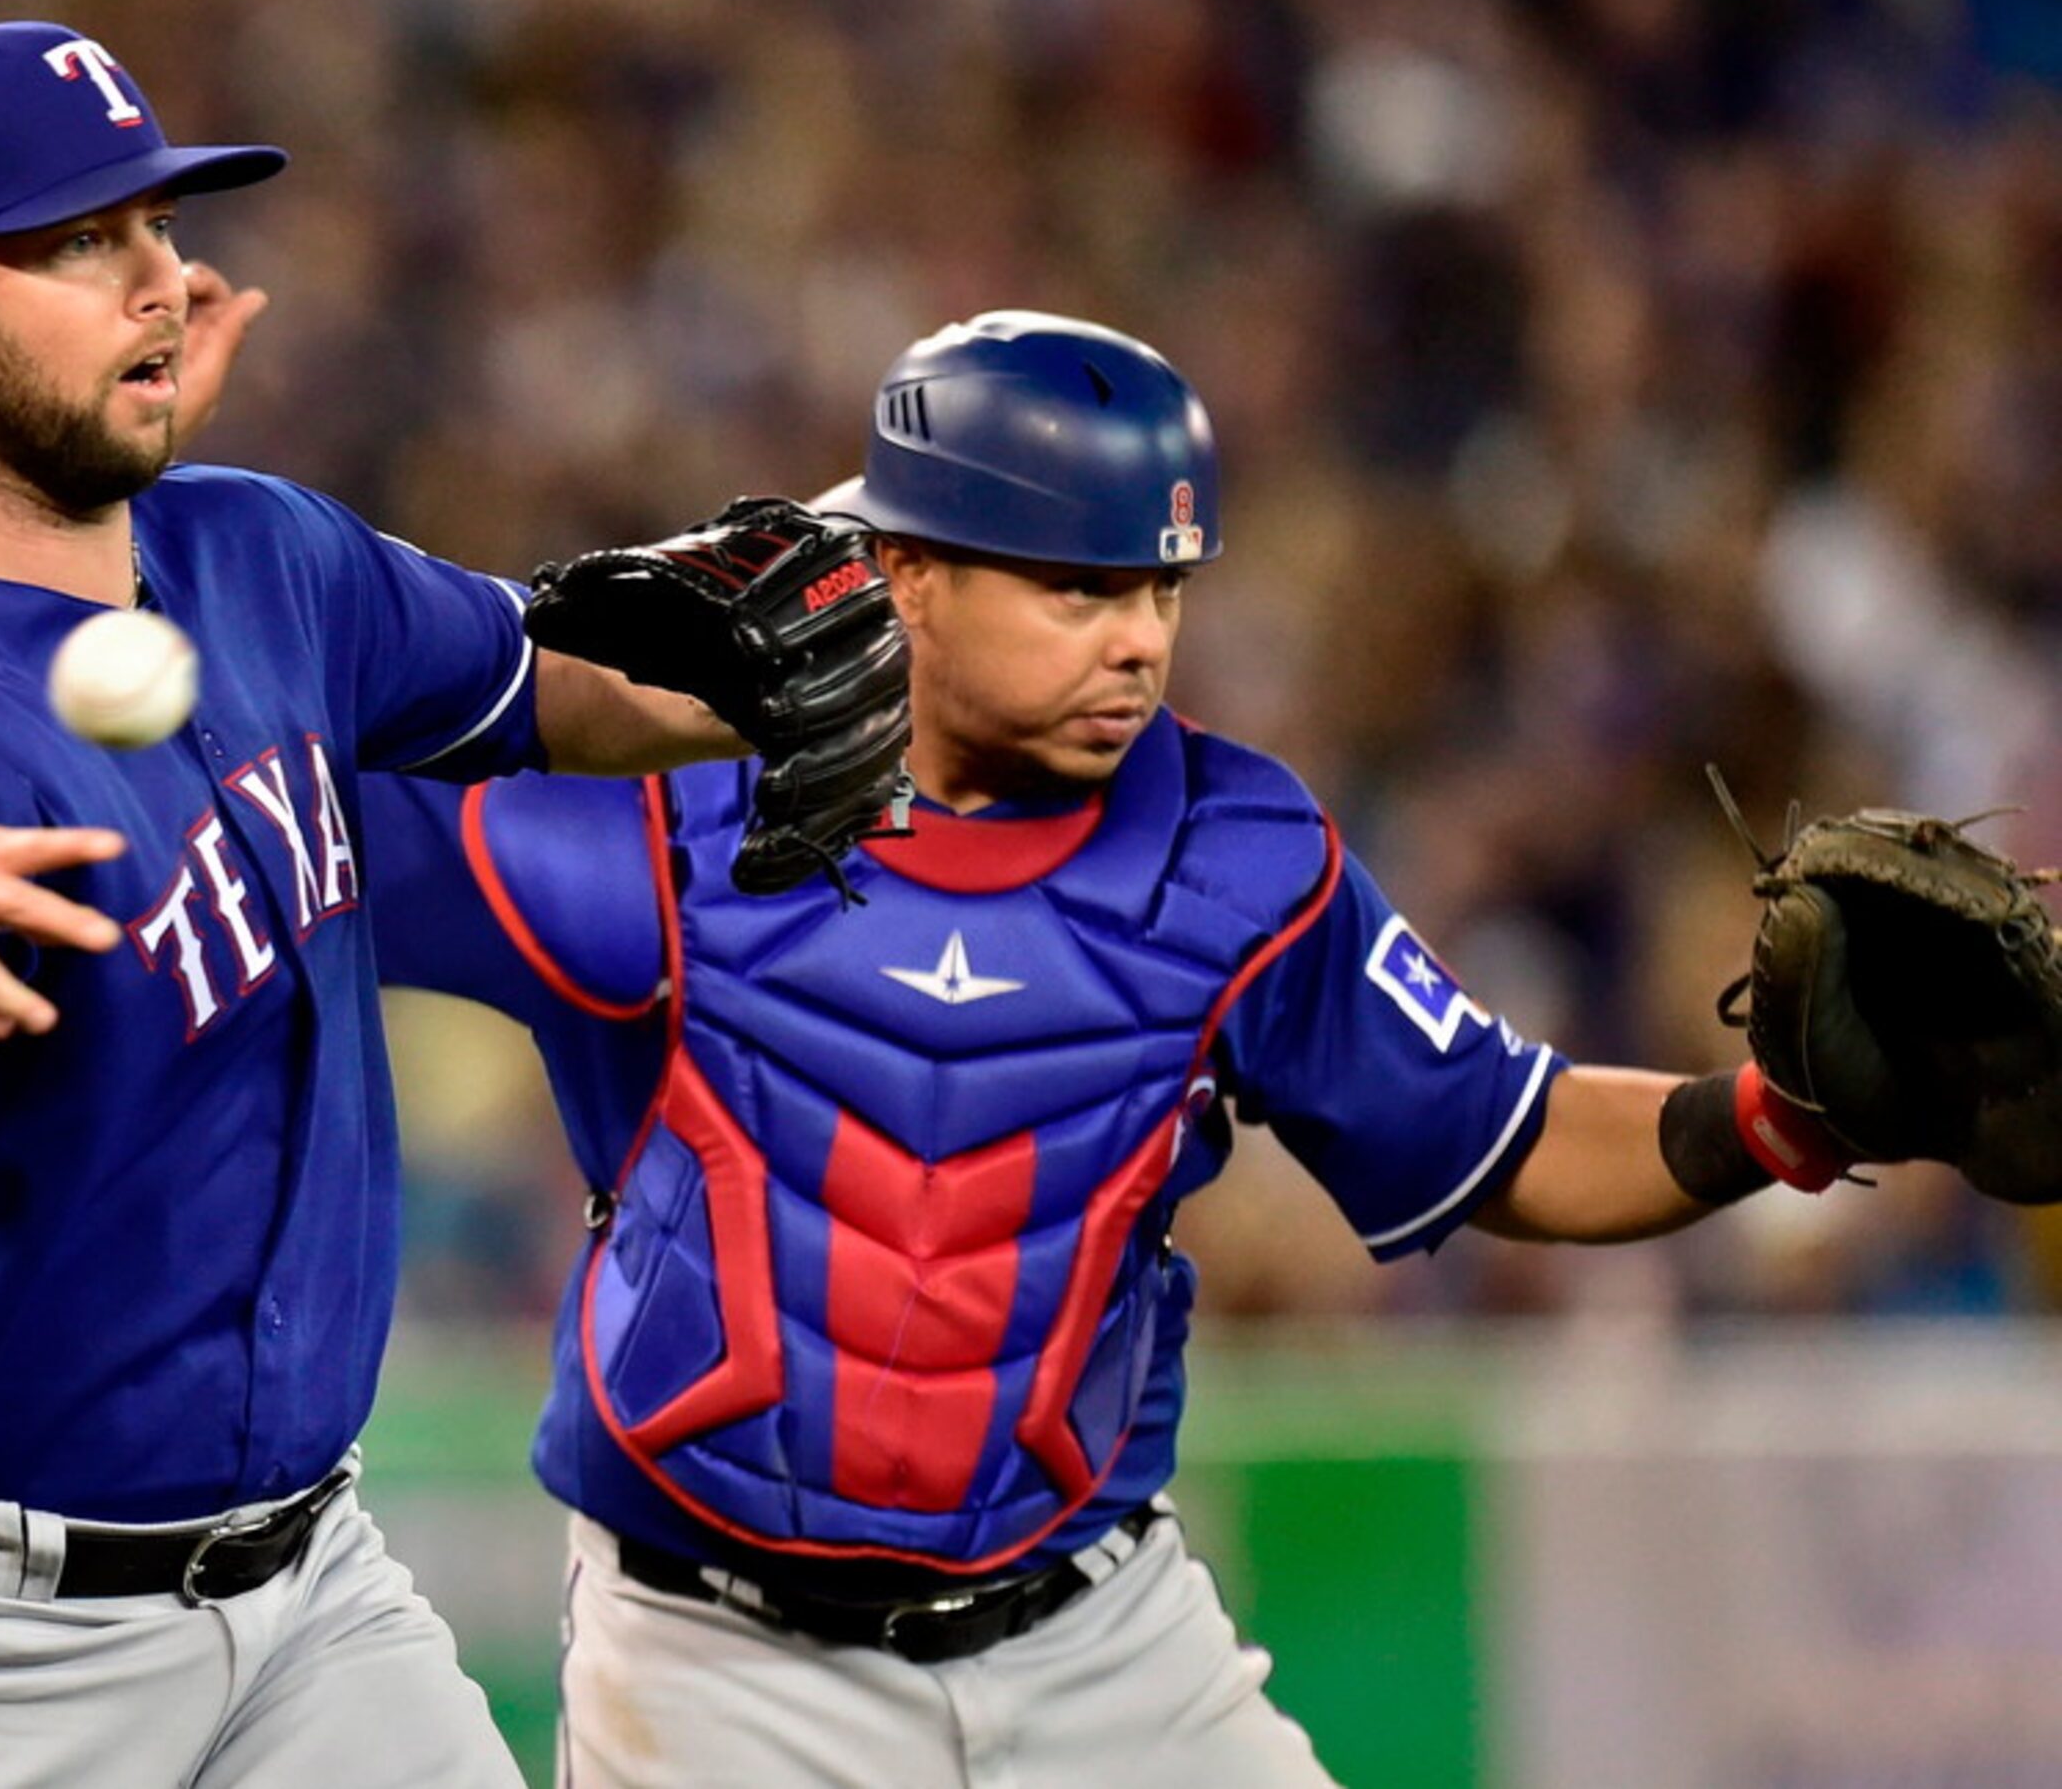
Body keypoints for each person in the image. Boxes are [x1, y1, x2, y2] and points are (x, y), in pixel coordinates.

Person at [363, 311, 1921, 1788]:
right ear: (907, 571)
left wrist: (1770, 1123)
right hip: (721, 1665)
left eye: (1161, 589)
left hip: (1099, 1643)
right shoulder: (667, 821)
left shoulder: (1238, 855)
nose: (1137, 643)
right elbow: (321, 820)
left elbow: (1506, 1136)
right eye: (1078, 589)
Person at [0, 19, 818, 1789]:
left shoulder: (261, 555)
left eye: (153, 225)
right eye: (76, 243)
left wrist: (885, 585)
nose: (156, 278)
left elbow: (575, 680)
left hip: (306, 1607)